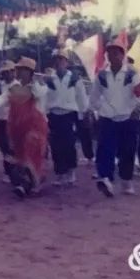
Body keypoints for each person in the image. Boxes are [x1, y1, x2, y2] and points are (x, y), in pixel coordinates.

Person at [90, 40, 140, 198]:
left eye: (116, 52)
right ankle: (106, 179)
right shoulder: (101, 75)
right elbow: (94, 96)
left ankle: (126, 181)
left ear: (122, 55)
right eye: (109, 52)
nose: (112, 55)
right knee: (105, 150)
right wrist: (93, 110)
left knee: (127, 151)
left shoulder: (132, 73)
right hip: (107, 118)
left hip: (128, 118)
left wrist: (138, 108)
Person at [44, 48, 88, 187]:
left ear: (66, 62)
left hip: (69, 115)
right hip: (54, 115)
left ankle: (71, 171)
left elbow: (81, 96)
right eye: (57, 59)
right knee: (55, 146)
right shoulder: (50, 79)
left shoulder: (74, 78)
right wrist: (44, 114)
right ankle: (59, 173)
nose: (59, 62)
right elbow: (45, 98)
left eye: (61, 59)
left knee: (69, 144)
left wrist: (83, 113)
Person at [7, 57, 49, 199]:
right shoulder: (15, 87)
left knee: (31, 151)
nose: (20, 73)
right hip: (20, 127)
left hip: (36, 128)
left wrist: (34, 83)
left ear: (30, 72)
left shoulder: (39, 86)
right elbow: (5, 97)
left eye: (24, 70)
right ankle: (29, 183)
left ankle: (26, 185)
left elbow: (38, 94)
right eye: (19, 70)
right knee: (21, 156)